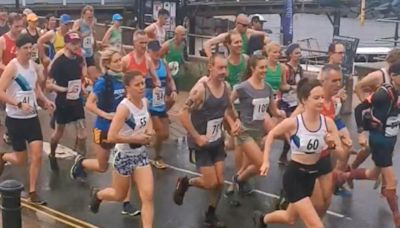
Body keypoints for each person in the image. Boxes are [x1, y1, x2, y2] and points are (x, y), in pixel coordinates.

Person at [253, 78, 343, 228]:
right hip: (295, 176)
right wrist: (265, 161)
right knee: (316, 225)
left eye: (322, 97)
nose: (321, 101)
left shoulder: (328, 123)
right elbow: (272, 134)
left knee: (290, 218)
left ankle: (262, 219)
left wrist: (331, 145)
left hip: (311, 176)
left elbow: (340, 153)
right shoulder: (294, 122)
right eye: (316, 98)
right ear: (304, 100)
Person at [70, 47, 140, 216]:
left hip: (121, 129)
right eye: (116, 61)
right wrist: (106, 114)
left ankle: (126, 203)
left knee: (126, 165)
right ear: (108, 64)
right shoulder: (104, 82)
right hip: (102, 128)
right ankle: (81, 163)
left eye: (120, 59)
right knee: (102, 166)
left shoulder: (124, 80)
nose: (120, 63)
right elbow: (89, 104)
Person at [173, 54, 240, 227]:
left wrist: (234, 122)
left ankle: (211, 213)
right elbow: (182, 113)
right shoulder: (201, 90)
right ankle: (186, 182)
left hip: (217, 141)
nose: (224, 71)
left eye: (226, 68)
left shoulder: (226, 87)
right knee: (211, 182)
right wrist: (196, 136)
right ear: (210, 67)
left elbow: (227, 108)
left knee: (220, 181)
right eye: (220, 68)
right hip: (201, 143)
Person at [89, 71, 155, 228]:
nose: (141, 87)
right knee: (118, 195)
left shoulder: (144, 102)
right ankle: (98, 195)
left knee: (148, 196)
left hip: (140, 155)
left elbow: (148, 119)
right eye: (137, 85)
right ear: (127, 87)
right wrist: (134, 139)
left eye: (142, 84)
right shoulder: (124, 108)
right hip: (123, 155)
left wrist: (150, 132)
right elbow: (111, 137)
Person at [0, 34, 54, 205]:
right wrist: (17, 104)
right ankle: (3, 157)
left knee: (37, 156)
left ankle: (32, 192)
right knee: (21, 159)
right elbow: (0, 91)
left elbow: (35, 88)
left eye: (31, 47)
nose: (29, 51)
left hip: (31, 118)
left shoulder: (32, 66)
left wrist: (45, 100)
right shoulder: (12, 67)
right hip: (15, 119)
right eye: (26, 48)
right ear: (17, 50)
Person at [346, 61, 400, 227]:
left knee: (372, 174)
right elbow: (359, 109)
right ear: (393, 76)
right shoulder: (383, 93)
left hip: (391, 139)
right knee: (392, 183)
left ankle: (343, 176)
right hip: (380, 140)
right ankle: (397, 218)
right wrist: (361, 132)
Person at [229, 54, 284, 196]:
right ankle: (239, 180)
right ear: (252, 68)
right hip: (244, 132)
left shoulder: (268, 88)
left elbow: (273, 110)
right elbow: (227, 103)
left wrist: (281, 114)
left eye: (266, 67)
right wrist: (235, 119)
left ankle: (238, 181)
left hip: (258, 132)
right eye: (261, 67)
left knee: (246, 166)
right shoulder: (242, 87)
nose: (264, 70)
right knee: (261, 164)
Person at [47, 31, 87, 171]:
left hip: (76, 101)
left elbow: (80, 77)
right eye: (73, 43)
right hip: (63, 102)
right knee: (59, 133)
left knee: (83, 134)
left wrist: (83, 87)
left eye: (78, 43)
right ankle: (52, 154)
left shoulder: (79, 59)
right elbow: (48, 84)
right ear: (66, 44)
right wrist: (63, 89)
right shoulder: (59, 61)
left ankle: (79, 163)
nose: (76, 46)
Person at [146, 40, 177, 169]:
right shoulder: (146, 64)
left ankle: (148, 145)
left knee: (165, 135)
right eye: (154, 51)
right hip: (149, 103)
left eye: (158, 50)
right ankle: (157, 157)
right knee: (158, 130)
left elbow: (169, 78)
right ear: (148, 51)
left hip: (160, 103)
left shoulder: (163, 63)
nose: (157, 53)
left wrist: (173, 89)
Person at [278, 43, 304, 165]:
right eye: (296, 53)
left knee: (295, 129)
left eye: (300, 53)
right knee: (290, 129)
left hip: (296, 102)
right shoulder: (285, 68)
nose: (299, 55)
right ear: (290, 55)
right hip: (285, 102)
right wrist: (292, 88)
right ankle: (291, 154)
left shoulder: (300, 69)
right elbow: (281, 86)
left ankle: (284, 155)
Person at [203, 14, 269, 57]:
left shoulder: (248, 32)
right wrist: (211, 59)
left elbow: (264, 35)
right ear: (237, 24)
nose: (246, 28)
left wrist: (265, 42)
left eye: (247, 25)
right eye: (244, 25)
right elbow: (207, 43)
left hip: (244, 62)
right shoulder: (228, 35)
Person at [160, 25, 186, 104]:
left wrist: (184, 64)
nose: (183, 37)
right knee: (166, 95)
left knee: (175, 95)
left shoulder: (183, 45)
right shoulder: (167, 45)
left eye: (184, 35)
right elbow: (159, 57)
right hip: (167, 74)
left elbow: (181, 55)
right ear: (176, 34)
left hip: (176, 74)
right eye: (182, 35)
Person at [72, 5, 98, 81]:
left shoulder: (93, 22)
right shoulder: (78, 23)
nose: (90, 19)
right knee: (82, 76)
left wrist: (95, 42)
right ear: (83, 15)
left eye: (91, 17)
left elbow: (92, 36)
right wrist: (86, 33)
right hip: (80, 53)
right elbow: (73, 36)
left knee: (93, 76)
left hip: (89, 53)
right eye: (89, 17)